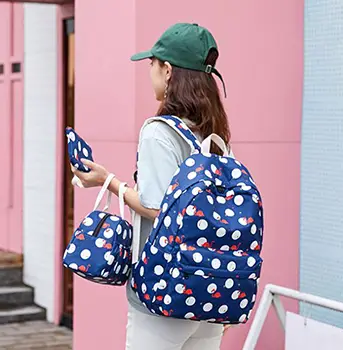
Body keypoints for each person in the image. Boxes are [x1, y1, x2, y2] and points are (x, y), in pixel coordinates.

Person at [72, 22, 231, 350]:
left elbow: (158, 207)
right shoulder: (215, 139)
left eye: (152, 65)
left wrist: (108, 181)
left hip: (165, 291)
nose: (150, 73)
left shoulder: (159, 132)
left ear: (168, 70)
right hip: (210, 290)